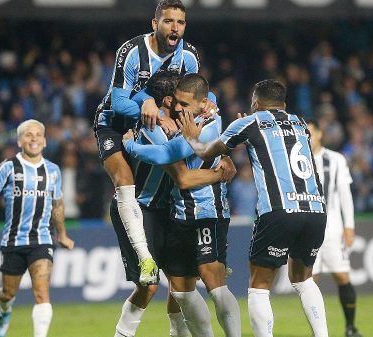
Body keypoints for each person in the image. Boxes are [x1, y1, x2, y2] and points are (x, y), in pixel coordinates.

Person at [179, 79, 329, 337]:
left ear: (255, 103)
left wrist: (192, 138)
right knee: (304, 280)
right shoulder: (301, 124)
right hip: (315, 209)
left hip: (279, 210)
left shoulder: (248, 122)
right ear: (283, 104)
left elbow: (206, 153)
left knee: (259, 286)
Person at [93, 0, 216, 286]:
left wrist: (210, 105)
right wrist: (149, 106)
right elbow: (117, 100)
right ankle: (145, 257)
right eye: (168, 21)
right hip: (114, 123)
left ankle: (202, 259)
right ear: (155, 24)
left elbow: (194, 96)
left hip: (154, 125)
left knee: (173, 178)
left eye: (181, 23)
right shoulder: (132, 50)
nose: (175, 28)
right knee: (124, 181)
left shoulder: (189, 56)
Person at [111, 70, 230, 337]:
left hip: (168, 209)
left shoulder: (180, 122)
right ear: (167, 101)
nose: (181, 104)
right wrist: (218, 173)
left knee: (180, 283)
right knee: (149, 285)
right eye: (177, 99)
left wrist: (221, 151)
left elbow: (206, 107)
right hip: (141, 210)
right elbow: (183, 176)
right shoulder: (153, 128)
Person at [0, 119, 75, 337]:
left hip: (42, 239)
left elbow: (57, 205)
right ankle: (4, 312)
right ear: (20, 140)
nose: (34, 138)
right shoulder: (8, 167)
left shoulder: (53, 171)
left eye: (38, 135)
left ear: (44, 141)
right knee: (7, 293)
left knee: (42, 293)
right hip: (13, 241)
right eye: (28, 135)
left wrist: (62, 234)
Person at [308, 119, 362, 337]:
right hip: (308, 230)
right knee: (309, 281)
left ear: (320, 134)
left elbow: (345, 195)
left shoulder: (336, 159)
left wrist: (349, 225)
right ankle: (318, 331)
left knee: (342, 276)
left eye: (310, 133)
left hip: (331, 229)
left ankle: (350, 327)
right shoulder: (296, 158)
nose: (308, 137)